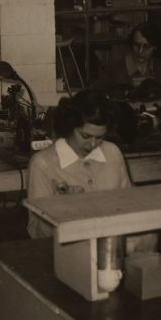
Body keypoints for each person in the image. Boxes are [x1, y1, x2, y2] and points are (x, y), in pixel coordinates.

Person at [26, 89, 131, 239]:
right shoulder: (43, 163)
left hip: (110, 247)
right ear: (70, 126)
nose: (93, 144)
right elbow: (35, 232)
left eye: (100, 137)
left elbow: (128, 208)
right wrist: (61, 209)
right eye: (85, 136)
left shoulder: (112, 153)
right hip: (67, 253)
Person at [96, 21, 161, 93]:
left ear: (155, 47)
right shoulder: (113, 72)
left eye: (146, 46)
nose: (140, 51)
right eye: (137, 45)